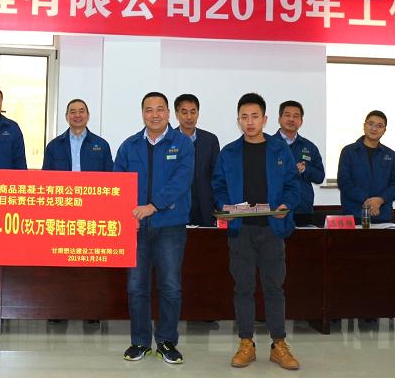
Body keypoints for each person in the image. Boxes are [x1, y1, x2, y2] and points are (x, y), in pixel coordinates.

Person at [212, 92, 301, 371]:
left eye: (254, 116)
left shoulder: (280, 150)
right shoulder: (229, 152)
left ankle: (279, 344)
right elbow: (218, 186)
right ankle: (246, 343)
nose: (249, 122)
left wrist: (286, 204)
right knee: (243, 288)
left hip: (272, 229)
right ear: (238, 120)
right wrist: (224, 205)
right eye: (244, 117)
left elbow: (292, 185)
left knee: (274, 287)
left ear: (264, 119)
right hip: (241, 230)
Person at [114, 92, 194, 364]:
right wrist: (130, 213)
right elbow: (118, 184)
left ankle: (167, 342)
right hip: (136, 227)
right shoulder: (129, 146)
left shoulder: (182, 143)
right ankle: (140, 342)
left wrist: (153, 206)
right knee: (136, 286)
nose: (155, 114)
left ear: (168, 113)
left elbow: (181, 181)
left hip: (170, 225)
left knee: (170, 285)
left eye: (160, 109)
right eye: (149, 110)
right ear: (142, 114)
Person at [337, 110, 395, 223]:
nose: (374, 128)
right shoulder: (348, 152)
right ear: (364, 126)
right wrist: (366, 200)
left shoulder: (390, 155)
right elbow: (344, 182)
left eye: (379, 126)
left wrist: (380, 200)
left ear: (384, 130)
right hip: (354, 215)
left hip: (382, 215)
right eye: (370, 124)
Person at [173, 94, 220, 226]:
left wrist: (217, 204)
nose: (189, 117)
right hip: (175, 206)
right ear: (176, 114)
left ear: (198, 113)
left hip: (204, 206)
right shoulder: (169, 140)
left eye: (193, 112)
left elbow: (216, 176)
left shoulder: (210, 140)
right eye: (184, 112)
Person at [276, 100, 324, 215]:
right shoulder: (269, 145)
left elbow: (320, 177)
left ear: (301, 121)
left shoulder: (309, 147)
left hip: (303, 208)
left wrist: (304, 170)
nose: (291, 119)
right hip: (276, 207)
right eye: (287, 115)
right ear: (279, 119)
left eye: (296, 116)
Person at [43, 99, 113, 172]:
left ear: (88, 116)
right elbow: (45, 176)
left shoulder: (102, 145)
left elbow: (111, 176)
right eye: (73, 112)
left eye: (81, 111)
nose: (77, 115)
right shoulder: (53, 146)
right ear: (66, 117)